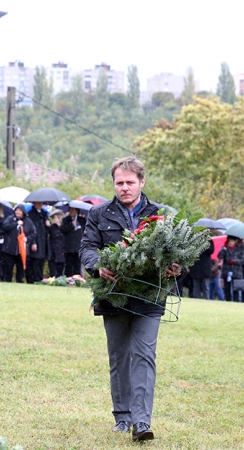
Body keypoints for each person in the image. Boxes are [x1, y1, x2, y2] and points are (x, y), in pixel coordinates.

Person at [80, 156, 176, 442]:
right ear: (113, 183)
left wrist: (176, 266)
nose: (124, 188)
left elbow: (175, 252)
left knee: (145, 355)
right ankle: (122, 417)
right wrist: (98, 264)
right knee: (119, 356)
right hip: (113, 296)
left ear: (142, 182)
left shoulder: (162, 214)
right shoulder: (98, 215)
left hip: (149, 296)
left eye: (130, 182)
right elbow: (87, 248)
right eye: (119, 183)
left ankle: (142, 422)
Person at [0, 205, 36, 283]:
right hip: (9, 249)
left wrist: (27, 238)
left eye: (19, 210)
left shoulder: (28, 221)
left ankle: (19, 281)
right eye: (16, 210)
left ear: (23, 212)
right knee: (8, 268)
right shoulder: (10, 218)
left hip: (22, 250)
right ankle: (7, 281)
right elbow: (4, 227)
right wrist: (16, 223)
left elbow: (33, 233)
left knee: (20, 269)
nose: (17, 212)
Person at [27, 202, 50, 283]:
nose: (40, 204)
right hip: (35, 241)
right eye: (38, 203)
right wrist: (33, 242)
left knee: (41, 261)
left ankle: (39, 279)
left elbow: (47, 230)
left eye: (41, 203)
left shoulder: (44, 214)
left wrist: (48, 225)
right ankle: (33, 279)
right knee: (34, 261)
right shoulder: (30, 214)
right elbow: (31, 229)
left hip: (43, 242)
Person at [60, 206, 87, 277]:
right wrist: (71, 225)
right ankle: (68, 279)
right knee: (68, 265)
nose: (71, 212)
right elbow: (63, 229)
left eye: (72, 210)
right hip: (69, 247)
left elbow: (85, 231)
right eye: (70, 210)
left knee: (77, 265)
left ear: (76, 211)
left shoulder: (82, 220)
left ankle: (77, 279)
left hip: (78, 247)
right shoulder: (66, 220)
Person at [218, 236, 244, 302]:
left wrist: (235, 261)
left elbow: (243, 260)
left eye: (232, 241)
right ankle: (227, 301)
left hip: (236, 272)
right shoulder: (225, 248)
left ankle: (236, 302)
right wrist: (223, 249)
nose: (230, 242)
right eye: (229, 241)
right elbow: (219, 256)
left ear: (235, 241)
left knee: (236, 290)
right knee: (226, 290)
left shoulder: (240, 249)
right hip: (226, 272)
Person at [48, 209, 66, 277]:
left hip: (61, 249)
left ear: (59, 218)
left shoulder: (64, 227)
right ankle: (52, 278)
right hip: (53, 249)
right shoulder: (52, 227)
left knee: (60, 266)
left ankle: (60, 278)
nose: (54, 219)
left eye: (55, 218)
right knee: (52, 265)